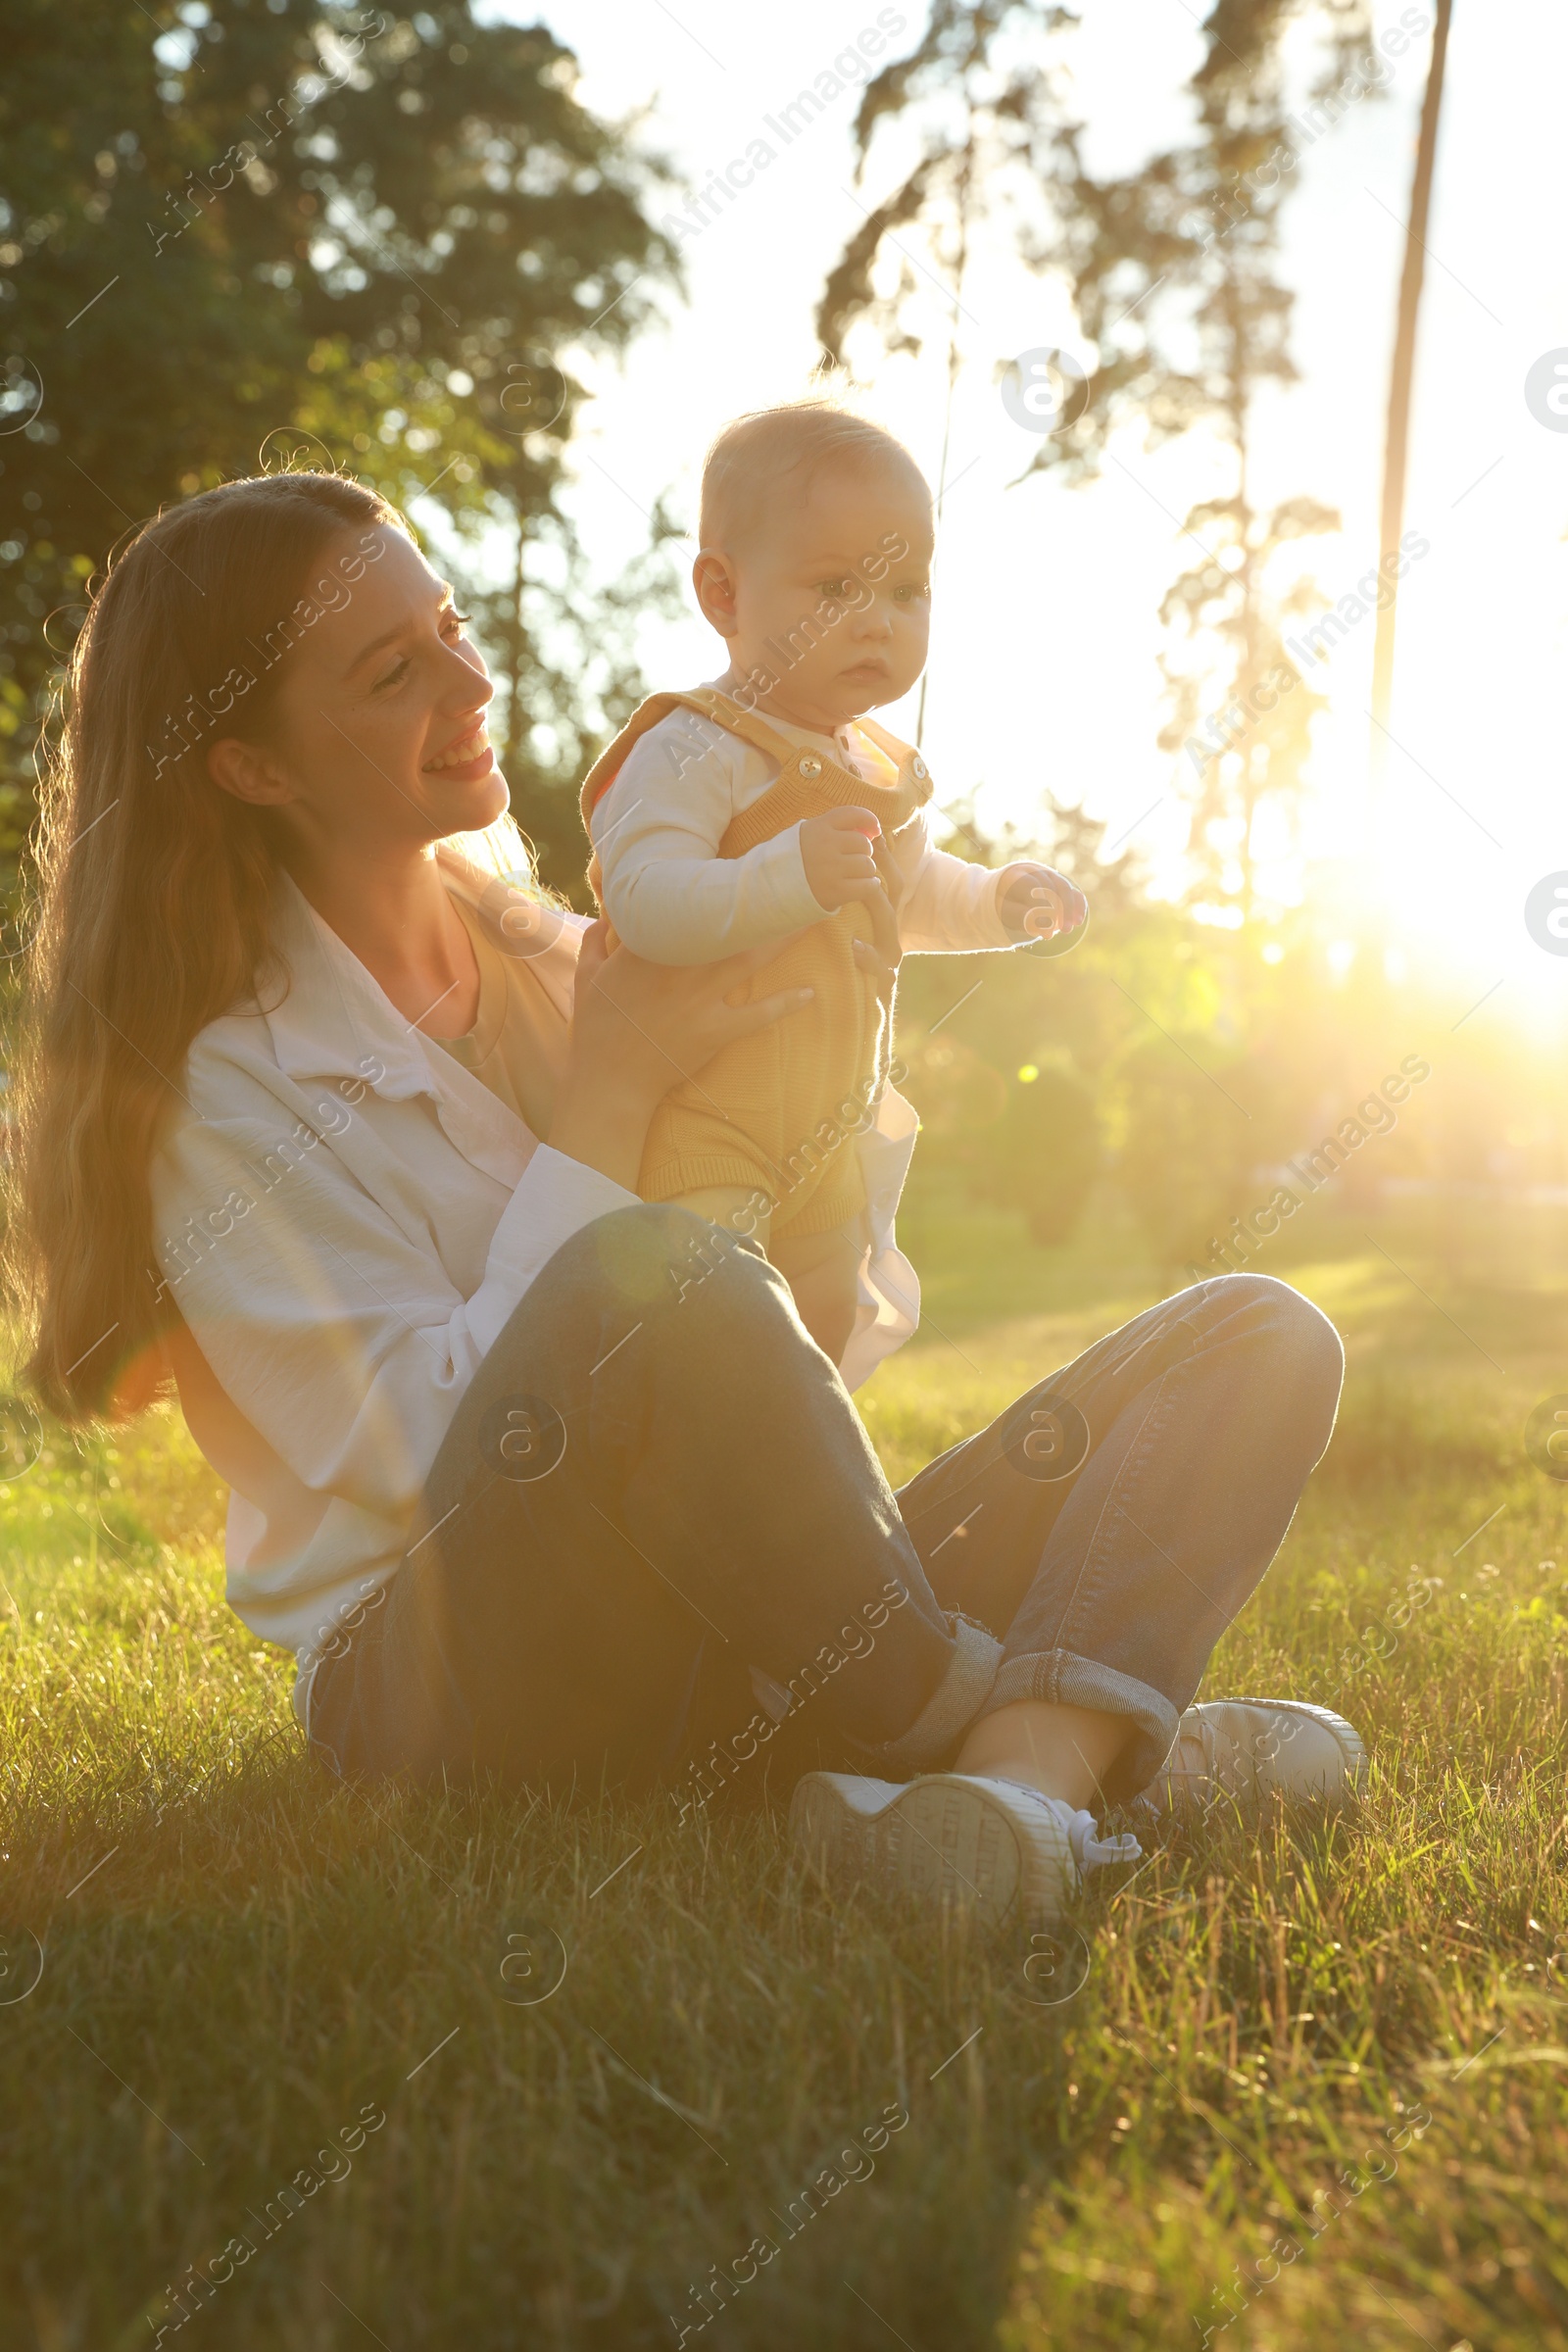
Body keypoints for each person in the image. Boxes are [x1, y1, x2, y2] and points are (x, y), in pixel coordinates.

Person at [7, 469, 1362, 1935]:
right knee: (649, 1272)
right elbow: (419, 1456)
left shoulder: (562, 953)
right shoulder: (224, 1091)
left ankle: (1013, 1780)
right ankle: (1047, 1734)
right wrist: (613, 1101)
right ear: (251, 766)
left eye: (450, 625)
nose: (470, 680)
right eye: (394, 671)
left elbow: (784, 1358)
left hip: (725, 1619)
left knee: (1255, 1334)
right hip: (447, 1674)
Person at [581, 402, 1087, 1366]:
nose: (876, 622)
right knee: (721, 1349)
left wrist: (993, 902)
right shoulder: (696, 746)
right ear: (723, 596)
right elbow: (642, 899)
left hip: (829, 1140)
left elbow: (908, 893)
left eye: (906, 591)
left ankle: (792, 1508)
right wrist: (786, 874)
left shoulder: (871, 767)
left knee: (819, 1345)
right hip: (707, 1125)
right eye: (835, 588)